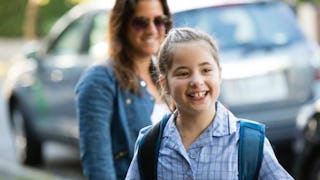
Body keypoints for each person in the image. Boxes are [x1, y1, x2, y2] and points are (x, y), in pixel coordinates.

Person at [125, 28, 294, 179]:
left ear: (219, 74)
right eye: (183, 73)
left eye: (205, 70)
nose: (197, 81)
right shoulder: (150, 144)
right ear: (164, 84)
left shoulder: (248, 142)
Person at [75, 0, 172, 179]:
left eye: (159, 20)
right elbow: (98, 165)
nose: (152, 29)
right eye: (140, 22)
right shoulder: (99, 79)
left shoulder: (166, 76)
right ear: (122, 25)